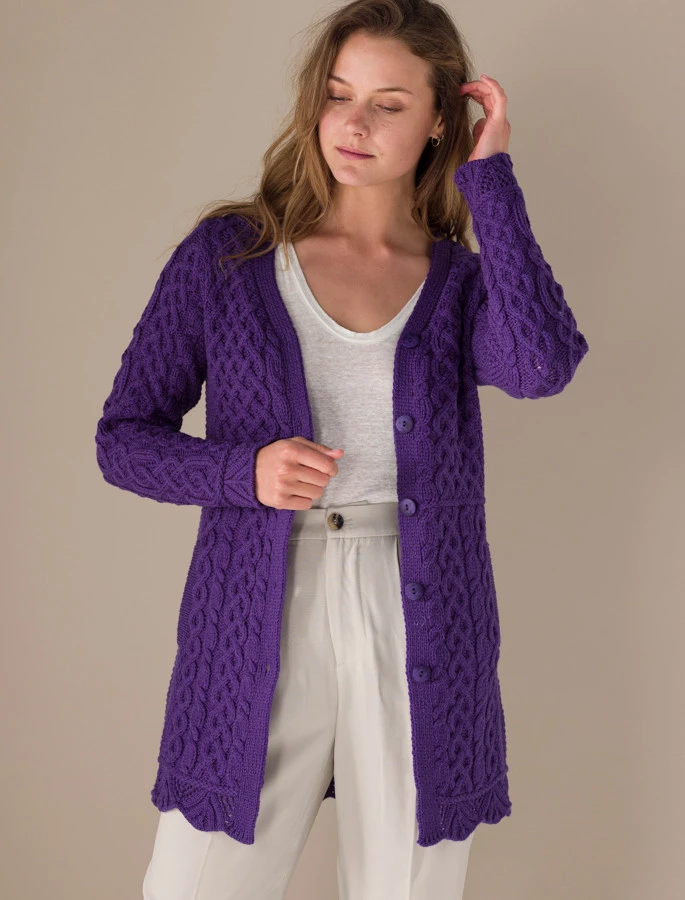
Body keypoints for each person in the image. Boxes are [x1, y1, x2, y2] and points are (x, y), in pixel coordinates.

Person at [94, 2, 589, 898]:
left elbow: (541, 366)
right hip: (256, 601)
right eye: (337, 94)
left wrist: (491, 182)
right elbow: (122, 440)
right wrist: (241, 472)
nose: (353, 123)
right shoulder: (230, 256)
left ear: (438, 119)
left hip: (420, 604)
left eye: (388, 104)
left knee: (406, 884)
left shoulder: (459, 283)